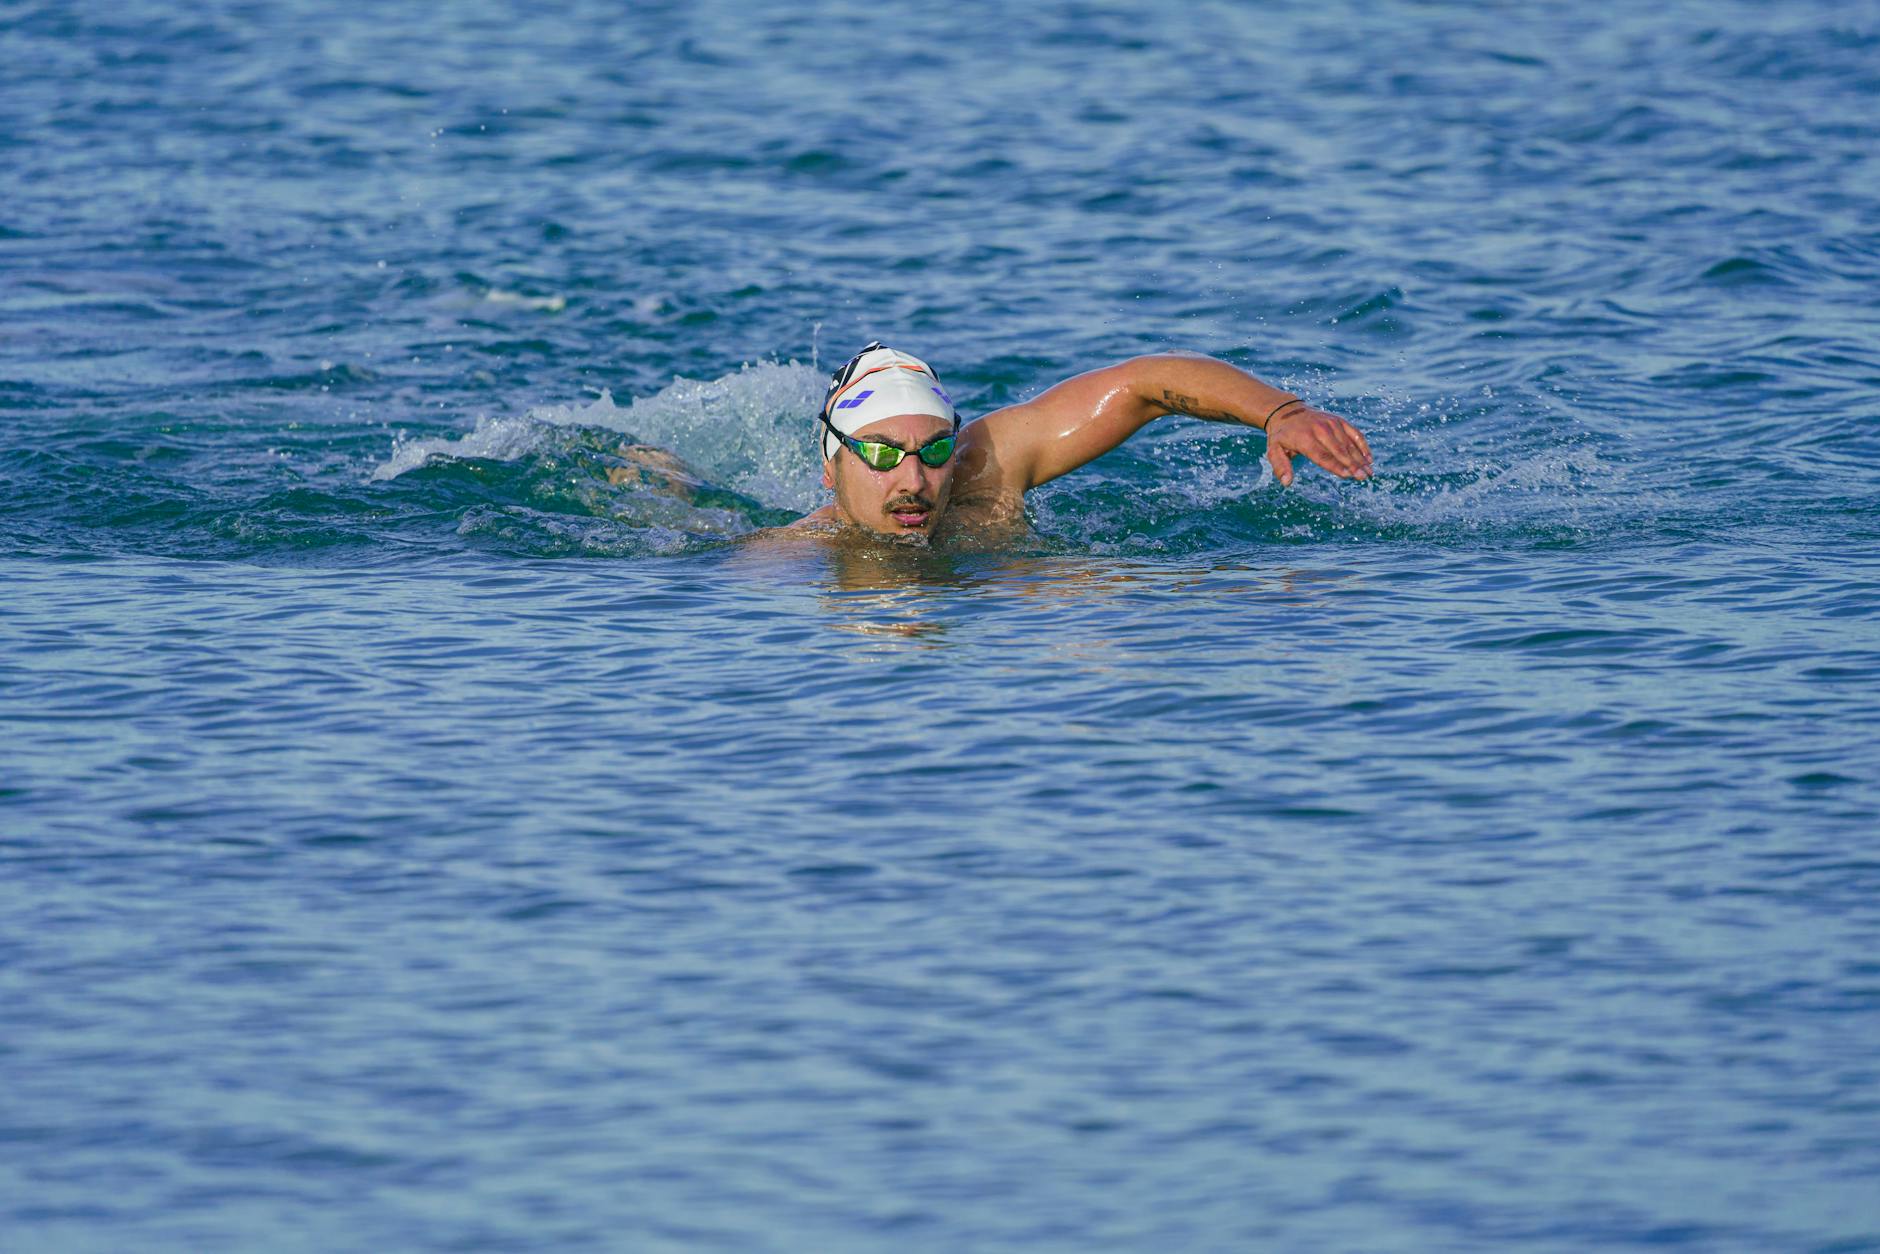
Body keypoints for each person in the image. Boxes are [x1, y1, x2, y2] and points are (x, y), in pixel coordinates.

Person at [791, 342, 1372, 547]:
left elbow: (1142, 385)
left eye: (934, 451)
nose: (914, 482)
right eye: (882, 454)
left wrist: (1283, 412)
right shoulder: (795, 558)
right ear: (831, 466)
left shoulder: (984, 472)